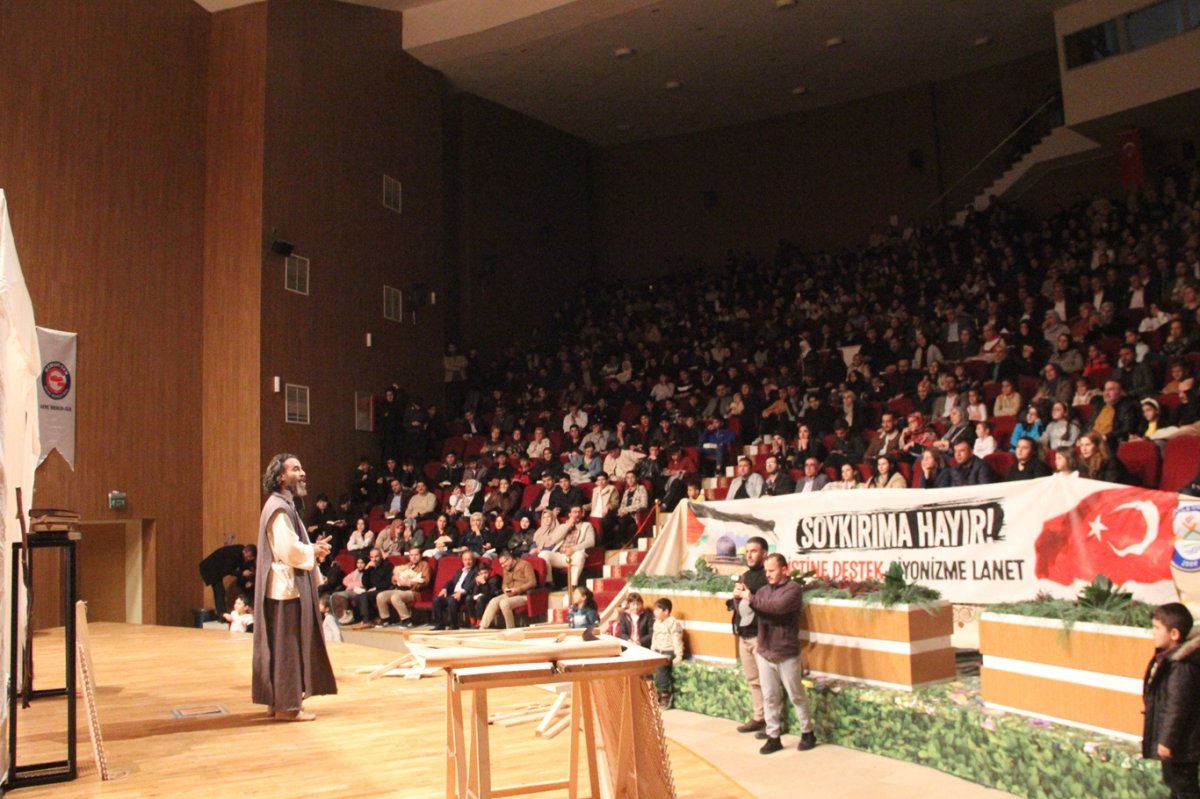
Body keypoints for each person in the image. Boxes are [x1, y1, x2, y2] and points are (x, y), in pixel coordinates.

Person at [252, 453, 336, 722]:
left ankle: (278, 703)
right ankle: (287, 707)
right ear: (281, 477)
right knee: (287, 647)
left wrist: (312, 549)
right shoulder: (278, 508)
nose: (302, 474)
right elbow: (288, 550)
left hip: (284, 587)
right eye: (296, 469)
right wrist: (315, 550)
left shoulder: (283, 505)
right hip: (285, 590)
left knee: (282, 647)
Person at [732, 553, 815, 754]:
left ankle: (807, 732)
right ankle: (773, 736)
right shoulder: (762, 590)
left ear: (784, 570)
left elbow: (776, 608)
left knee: (796, 695)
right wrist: (737, 598)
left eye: (772, 570)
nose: (767, 574)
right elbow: (748, 612)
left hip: (786, 652)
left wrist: (751, 598)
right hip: (765, 651)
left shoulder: (793, 590)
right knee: (769, 696)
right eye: (766, 571)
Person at [1143, 602, 1200, 799]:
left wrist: (1167, 741)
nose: (1152, 633)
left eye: (1157, 628)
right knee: (1176, 787)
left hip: (1182, 745)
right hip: (1177, 745)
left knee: (1185, 789)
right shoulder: (1167, 659)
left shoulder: (1181, 666)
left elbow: (1177, 707)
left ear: (1174, 634)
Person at [729, 537, 769, 735]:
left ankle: (773, 722)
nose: (750, 555)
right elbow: (739, 606)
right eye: (747, 552)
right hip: (743, 635)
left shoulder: (768, 577)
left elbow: (767, 605)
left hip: (761, 635)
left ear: (764, 554)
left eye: (754, 551)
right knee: (753, 679)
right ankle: (759, 717)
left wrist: (749, 596)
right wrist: (734, 597)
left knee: (767, 681)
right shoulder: (744, 575)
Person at [539, 506, 596, 589]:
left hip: (574, 555)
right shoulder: (563, 526)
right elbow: (554, 539)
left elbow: (591, 542)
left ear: (582, 514)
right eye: (574, 512)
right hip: (560, 555)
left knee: (580, 555)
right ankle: (549, 583)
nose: (577, 514)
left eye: (579, 512)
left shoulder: (587, 525)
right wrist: (568, 526)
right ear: (569, 514)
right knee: (543, 554)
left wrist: (574, 549)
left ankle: (572, 585)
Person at [478, 550, 537, 629]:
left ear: (510, 559)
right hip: (511, 594)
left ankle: (510, 628)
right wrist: (505, 589)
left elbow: (533, 582)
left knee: (504, 603)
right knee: (493, 601)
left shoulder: (525, 565)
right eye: (501, 564)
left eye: (503, 563)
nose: (502, 566)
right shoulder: (506, 568)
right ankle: (483, 627)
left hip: (524, 595)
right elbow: (504, 584)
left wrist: (518, 589)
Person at [375, 547, 431, 628]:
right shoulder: (407, 565)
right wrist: (396, 578)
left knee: (395, 597)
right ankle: (385, 619)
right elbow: (393, 579)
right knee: (381, 596)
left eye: (416, 555)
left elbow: (425, 581)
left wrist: (409, 583)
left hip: (415, 591)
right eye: (411, 555)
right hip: (400, 589)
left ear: (420, 555)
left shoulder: (425, 565)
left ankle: (407, 620)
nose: (414, 557)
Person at [431, 550, 481, 631]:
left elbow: (473, 583)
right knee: (436, 600)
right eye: (465, 560)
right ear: (462, 561)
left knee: (452, 599)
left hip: (465, 595)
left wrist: (461, 592)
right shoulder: (460, 571)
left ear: (473, 560)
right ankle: (440, 624)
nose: (467, 562)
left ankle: (454, 625)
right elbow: (451, 581)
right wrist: (445, 588)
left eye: (469, 560)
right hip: (453, 594)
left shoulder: (476, 571)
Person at [650, 597, 685, 709]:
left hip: (668, 651)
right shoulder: (656, 623)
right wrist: (651, 651)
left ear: (666, 611)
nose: (654, 612)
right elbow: (654, 638)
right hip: (657, 651)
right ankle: (653, 693)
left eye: (657, 609)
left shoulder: (673, 623)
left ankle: (665, 694)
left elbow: (677, 639)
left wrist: (679, 655)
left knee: (661, 668)